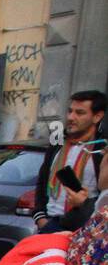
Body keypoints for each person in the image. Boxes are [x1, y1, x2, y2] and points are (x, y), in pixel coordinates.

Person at [35, 90, 105, 233]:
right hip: (50, 224)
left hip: (83, 227)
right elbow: (42, 180)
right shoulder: (58, 142)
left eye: (79, 113)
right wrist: (40, 217)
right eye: (70, 111)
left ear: (97, 117)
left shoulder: (101, 149)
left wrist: (84, 204)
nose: (71, 117)